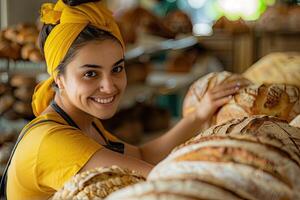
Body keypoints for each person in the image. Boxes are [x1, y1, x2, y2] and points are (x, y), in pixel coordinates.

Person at [6, 0, 248, 199]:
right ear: (59, 79)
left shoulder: (83, 122)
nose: (109, 86)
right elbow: (160, 176)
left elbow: (141, 156)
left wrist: (198, 115)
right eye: (91, 73)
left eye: (117, 69)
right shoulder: (53, 141)